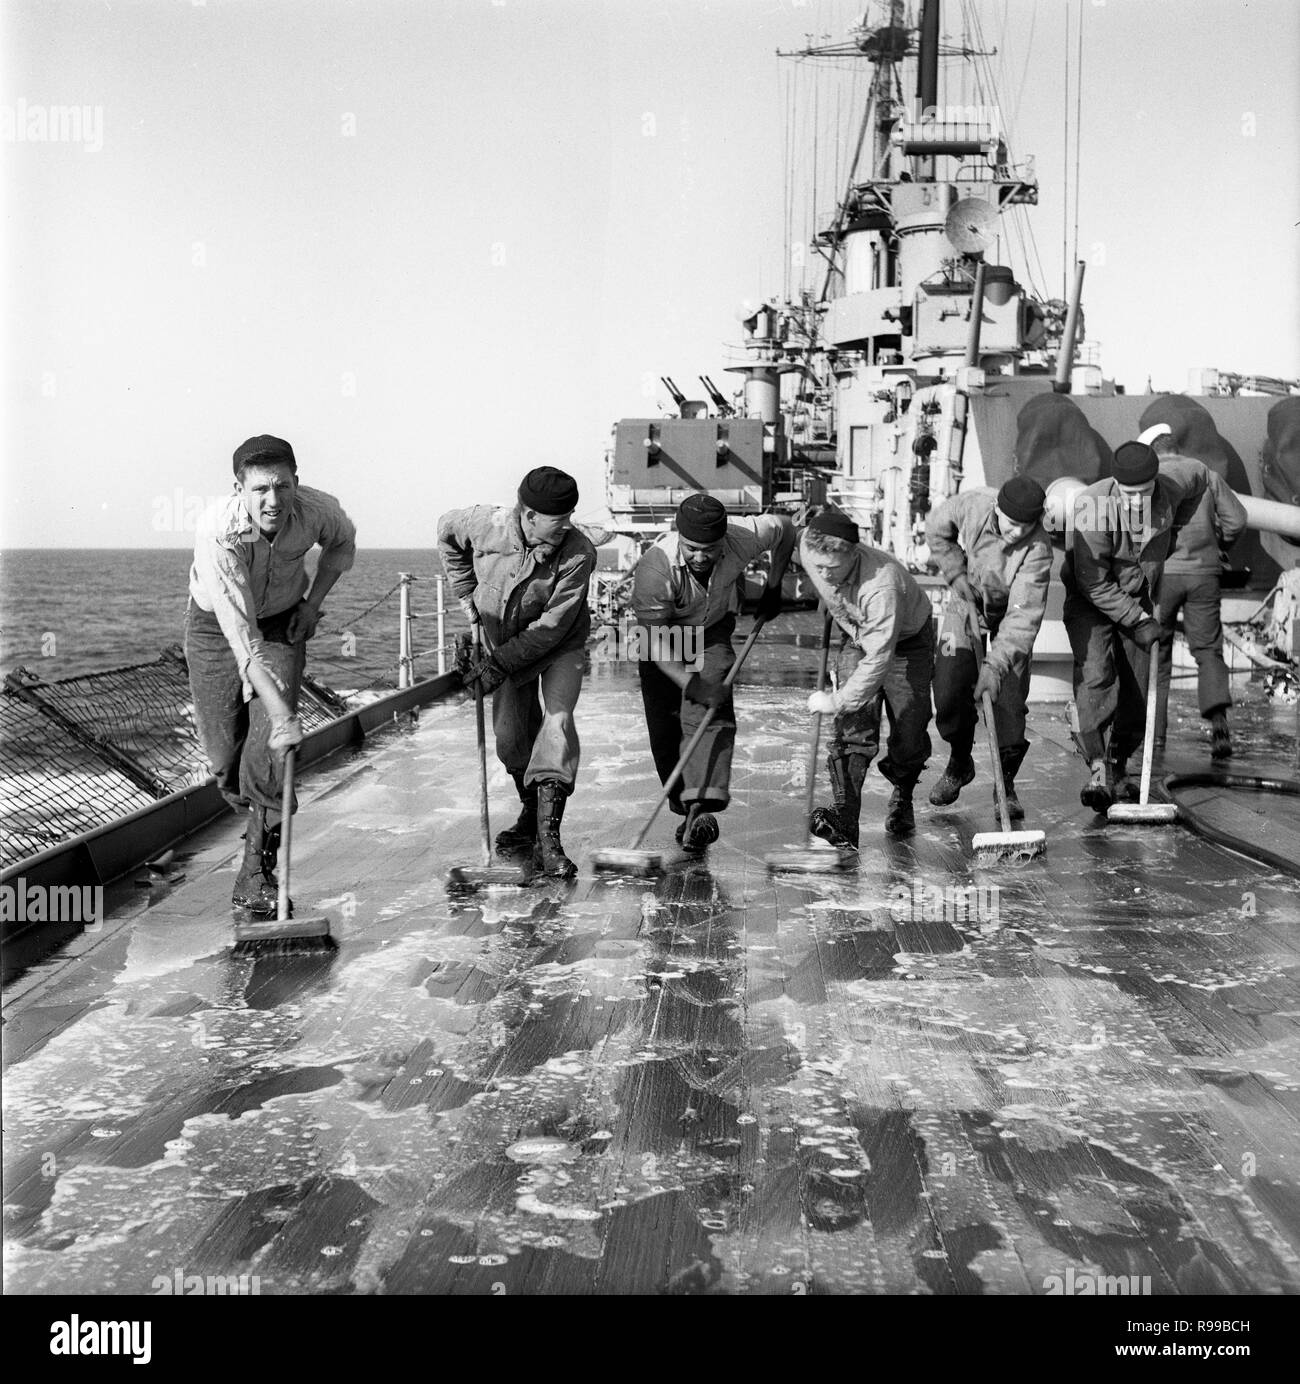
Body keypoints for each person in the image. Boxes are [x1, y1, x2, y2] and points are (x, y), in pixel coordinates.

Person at [186, 434, 357, 915]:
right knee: (226, 762)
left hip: (283, 623)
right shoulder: (216, 531)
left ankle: (256, 870)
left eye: (282, 486)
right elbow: (241, 640)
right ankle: (260, 814)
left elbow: (342, 544)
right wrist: (284, 715)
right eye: (260, 489)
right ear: (238, 488)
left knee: (266, 755)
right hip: (217, 630)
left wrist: (312, 604)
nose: (273, 500)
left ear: (296, 482)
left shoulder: (319, 510)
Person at [437, 467, 596, 879]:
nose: (565, 529)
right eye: (556, 523)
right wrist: (467, 597)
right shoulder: (482, 524)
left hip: (559, 645)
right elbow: (446, 533)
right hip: (503, 639)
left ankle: (548, 841)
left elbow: (552, 628)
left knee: (556, 725)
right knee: (510, 738)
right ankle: (530, 813)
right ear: (528, 516)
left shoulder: (579, 553)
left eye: (568, 520)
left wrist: (497, 664)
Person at [630, 494, 794, 850]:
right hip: (664, 634)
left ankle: (700, 807)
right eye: (691, 549)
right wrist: (691, 684)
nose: (701, 557)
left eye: (710, 549)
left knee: (710, 709)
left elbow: (785, 527)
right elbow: (653, 640)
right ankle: (682, 800)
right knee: (666, 726)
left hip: (712, 629)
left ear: (724, 541)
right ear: (679, 538)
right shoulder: (655, 568)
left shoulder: (745, 536)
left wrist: (774, 584)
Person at [1062, 439, 1212, 812]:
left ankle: (1118, 764)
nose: (1134, 500)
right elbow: (1093, 582)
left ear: (1155, 483)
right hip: (1091, 600)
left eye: (1142, 493)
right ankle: (1097, 766)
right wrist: (1136, 619)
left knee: (1138, 688)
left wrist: (1173, 534)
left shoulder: (1175, 484)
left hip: (1139, 594)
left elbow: (1202, 475)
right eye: (1127, 493)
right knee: (1098, 676)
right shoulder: (1092, 507)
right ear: (1116, 485)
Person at [800, 509, 935, 841]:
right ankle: (845, 816)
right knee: (853, 728)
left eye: (831, 569)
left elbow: (878, 660)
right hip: (858, 632)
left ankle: (903, 794)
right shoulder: (808, 546)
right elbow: (786, 537)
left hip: (906, 641)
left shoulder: (880, 586)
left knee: (910, 728)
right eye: (817, 567)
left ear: (852, 554)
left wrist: (835, 700)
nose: (823, 574)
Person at [924, 477, 1052, 821]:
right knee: (949, 686)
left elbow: (1022, 619)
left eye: (1025, 527)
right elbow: (937, 529)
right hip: (967, 601)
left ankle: (1004, 783)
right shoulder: (973, 504)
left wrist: (994, 667)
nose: (1016, 533)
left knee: (1009, 699)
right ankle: (959, 760)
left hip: (1011, 613)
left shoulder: (1037, 549)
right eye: (1011, 525)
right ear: (998, 510)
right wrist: (955, 572)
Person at [1142, 426, 1247, 759]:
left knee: (1157, 655)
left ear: (1153, 451)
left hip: (1163, 577)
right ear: (1175, 448)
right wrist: (1221, 546)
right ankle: (1219, 728)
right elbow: (1237, 520)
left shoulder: (1150, 477)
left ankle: (1155, 739)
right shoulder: (1206, 474)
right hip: (1204, 573)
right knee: (1208, 651)